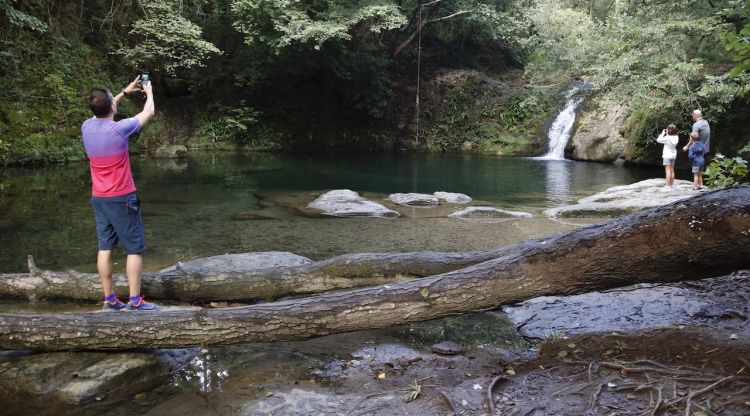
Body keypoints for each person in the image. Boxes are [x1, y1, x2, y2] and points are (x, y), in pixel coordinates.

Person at [82, 75, 158, 311]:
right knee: (134, 248)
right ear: (112, 108)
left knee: (105, 247)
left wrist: (123, 93)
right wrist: (148, 90)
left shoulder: (87, 126)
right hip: (122, 198)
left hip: (99, 198)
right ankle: (135, 301)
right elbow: (149, 112)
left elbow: (102, 109)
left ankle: (110, 300)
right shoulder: (120, 129)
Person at [683, 109, 711, 189]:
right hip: (705, 150)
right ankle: (701, 185)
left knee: (696, 171)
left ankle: (696, 186)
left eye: (692, 115)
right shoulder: (706, 122)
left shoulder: (696, 125)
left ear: (695, 115)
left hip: (697, 151)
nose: (692, 117)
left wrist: (687, 147)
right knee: (701, 170)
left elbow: (693, 138)